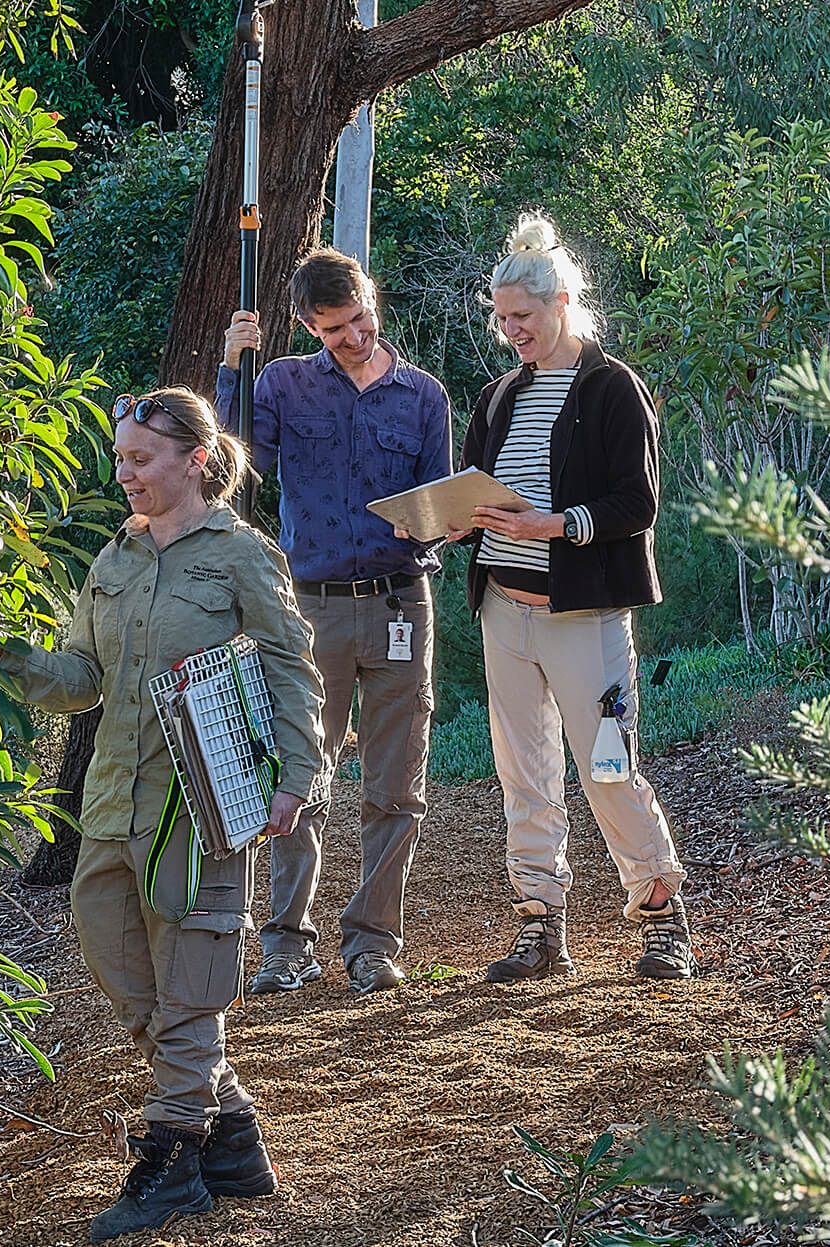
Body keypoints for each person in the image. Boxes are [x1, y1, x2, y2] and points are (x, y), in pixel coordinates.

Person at [0, 387, 325, 1242]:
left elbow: (292, 668)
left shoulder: (240, 556)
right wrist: (8, 654)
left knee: (192, 994)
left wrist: (297, 777)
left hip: (199, 809)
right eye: (121, 458)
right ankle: (230, 1135)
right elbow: (83, 676)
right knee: (131, 983)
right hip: (111, 810)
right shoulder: (113, 561)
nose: (124, 473)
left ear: (194, 461)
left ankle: (170, 1164)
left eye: (140, 459)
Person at [452, 212, 694, 982]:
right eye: (501, 320)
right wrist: (440, 523)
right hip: (504, 608)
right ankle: (540, 925)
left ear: (561, 302)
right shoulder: (497, 398)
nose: (510, 331)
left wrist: (553, 524)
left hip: (585, 611)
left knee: (609, 765)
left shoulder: (614, 387)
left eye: (520, 317)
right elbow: (475, 496)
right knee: (523, 773)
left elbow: (639, 503)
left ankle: (661, 916)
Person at [216, 249, 453, 996]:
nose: (353, 336)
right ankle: (286, 941)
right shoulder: (282, 383)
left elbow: (442, 504)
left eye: (360, 319)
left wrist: (431, 527)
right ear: (306, 326)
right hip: (308, 608)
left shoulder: (423, 396)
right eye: (334, 329)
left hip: (399, 603)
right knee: (299, 781)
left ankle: (375, 940)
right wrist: (232, 368)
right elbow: (228, 464)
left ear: (372, 298)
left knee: (395, 786)